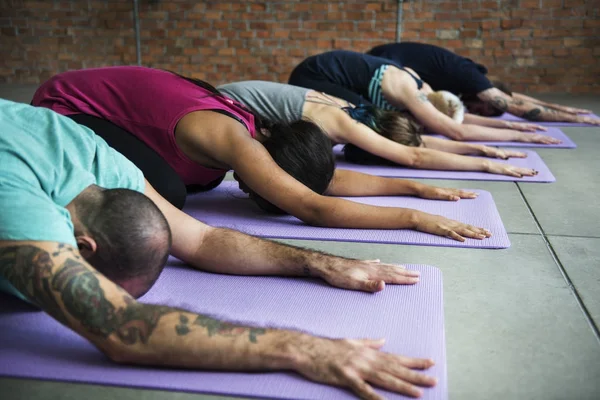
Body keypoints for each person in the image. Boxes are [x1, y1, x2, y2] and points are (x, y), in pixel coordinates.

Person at [0, 99, 437, 398]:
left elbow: (204, 239)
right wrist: (305, 349)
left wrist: (318, 262)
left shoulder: (109, 167)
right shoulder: (17, 203)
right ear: (81, 247)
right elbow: (119, 326)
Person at [33, 66, 493, 242]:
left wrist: (415, 190)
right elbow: (313, 206)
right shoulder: (238, 141)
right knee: (166, 197)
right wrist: (414, 220)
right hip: (63, 109)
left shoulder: (268, 139)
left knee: (186, 184)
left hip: (109, 108)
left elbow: (323, 186)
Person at [218, 80, 543, 177]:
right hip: (218, 108)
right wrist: (486, 165)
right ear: (376, 137)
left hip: (226, 104)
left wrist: (481, 149)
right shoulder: (342, 122)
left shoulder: (350, 111)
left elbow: (418, 149)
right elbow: (413, 158)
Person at [288, 50, 566, 142]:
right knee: (369, 121)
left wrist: (509, 125)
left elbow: (458, 119)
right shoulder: (412, 94)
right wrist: (519, 136)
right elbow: (455, 132)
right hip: (311, 76)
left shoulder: (429, 93)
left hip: (326, 71)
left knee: (382, 119)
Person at [367, 42, 600, 125]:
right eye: (487, 108)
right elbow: (515, 106)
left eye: (485, 114)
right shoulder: (470, 76)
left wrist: (562, 107)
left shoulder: (473, 84)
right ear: (484, 94)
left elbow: (515, 97)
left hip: (385, 61)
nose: (481, 111)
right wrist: (575, 119)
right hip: (380, 64)